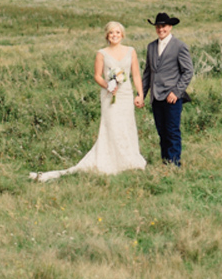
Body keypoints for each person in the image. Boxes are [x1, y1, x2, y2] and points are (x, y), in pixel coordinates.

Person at [30, 21, 147, 182]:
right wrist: (108, 85)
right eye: (111, 33)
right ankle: (112, 160)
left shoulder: (131, 51)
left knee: (126, 125)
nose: (115, 35)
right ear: (107, 35)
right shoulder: (102, 53)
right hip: (110, 95)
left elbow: (136, 75)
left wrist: (140, 94)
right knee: (112, 125)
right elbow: (97, 75)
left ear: (122, 35)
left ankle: (129, 159)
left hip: (126, 94)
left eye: (117, 32)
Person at [142, 12, 193, 167]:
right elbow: (148, 73)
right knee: (161, 131)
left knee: (172, 130)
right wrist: (141, 94)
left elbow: (188, 71)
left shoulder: (180, 46)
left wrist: (176, 92)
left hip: (172, 96)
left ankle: (174, 163)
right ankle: (165, 161)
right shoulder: (151, 46)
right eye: (158, 26)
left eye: (163, 26)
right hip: (155, 96)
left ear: (170, 27)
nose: (161, 29)